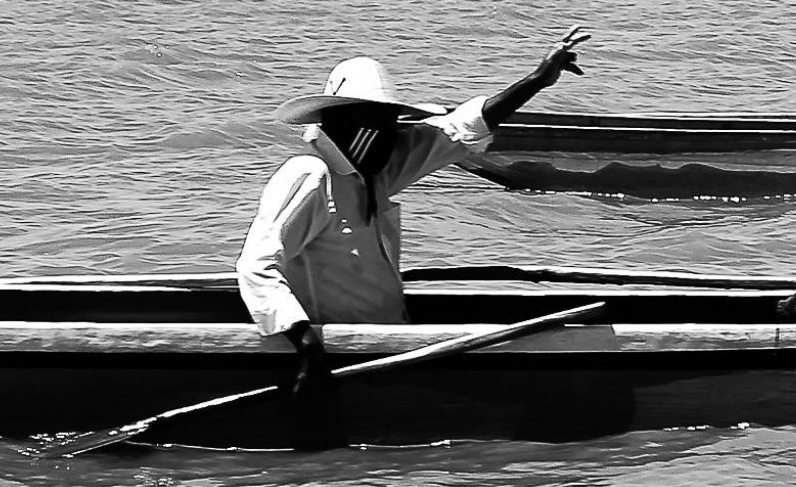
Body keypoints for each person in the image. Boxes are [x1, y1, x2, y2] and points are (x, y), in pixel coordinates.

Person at [238, 27, 590, 419]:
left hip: (386, 338)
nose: (389, 134)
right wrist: (307, 346)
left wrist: (537, 79)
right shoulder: (311, 175)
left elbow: (457, 130)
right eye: (374, 120)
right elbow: (258, 265)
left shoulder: (377, 172)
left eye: (391, 122)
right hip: (344, 351)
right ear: (339, 121)